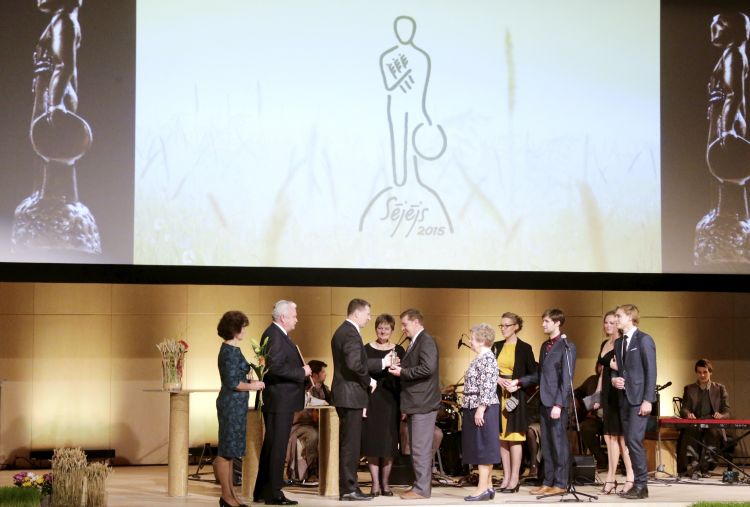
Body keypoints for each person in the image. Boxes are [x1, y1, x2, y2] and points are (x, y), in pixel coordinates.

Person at [331, 299, 395, 501]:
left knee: (350, 445)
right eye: (367, 314)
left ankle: (350, 487)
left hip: (347, 395)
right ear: (357, 313)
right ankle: (349, 489)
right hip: (350, 396)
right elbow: (354, 363)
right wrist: (369, 380)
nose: (369, 318)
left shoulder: (344, 330)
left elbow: (356, 362)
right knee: (351, 446)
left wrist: (381, 362)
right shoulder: (350, 333)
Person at [508, 308, 576, 496]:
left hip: (556, 404)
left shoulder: (567, 346)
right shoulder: (545, 346)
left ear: (557, 323)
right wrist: (519, 382)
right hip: (544, 401)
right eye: (543, 321)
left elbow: (566, 379)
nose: (543, 324)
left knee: (558, 444)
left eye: (546, 321)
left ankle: (561, 483)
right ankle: (548, 481)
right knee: (547, 444)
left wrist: (559, 404)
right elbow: (540, 375)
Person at [253, 301, 311, 506]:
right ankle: (274, 493)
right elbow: (275, 368)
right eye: (294, 316)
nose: (297, 319)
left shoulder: (277, 335)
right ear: (283, 317)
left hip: (280, 400)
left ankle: (262, 490)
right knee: (277, 447)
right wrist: (301, 372)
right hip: (279, 400)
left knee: (272, 446)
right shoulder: (275, 336)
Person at [388, 308, 441, 499]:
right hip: (416, 403)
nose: (402, 328)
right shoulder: (416, 341)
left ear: (416, 322)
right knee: (417, 447)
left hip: (423, 403)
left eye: (405, 324)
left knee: (420, 448)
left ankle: (421, 489)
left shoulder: (426, 340)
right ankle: (419, 485)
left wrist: (402, 372)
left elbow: (428, 368)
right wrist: (401, 367)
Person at [215, 311, 265, 507]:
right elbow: (233, 383)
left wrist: (252, 381)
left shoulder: (233, 350)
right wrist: (254, 386)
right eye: (242, 327)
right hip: (230, 405)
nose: (244, 330)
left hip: (237, 405)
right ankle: (226, 496)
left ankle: (230, 496)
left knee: (230, 452)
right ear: (234, 329)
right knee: (225, 451)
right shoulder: (228, 351)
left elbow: (239, 378)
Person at [611, 304, 656, 500]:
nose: (616, 319)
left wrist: (648, 400)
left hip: (639, 399)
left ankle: (641, 485)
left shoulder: (644, 339)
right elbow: (618, 370)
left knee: (634, 440)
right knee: (629, 441)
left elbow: (651, 371)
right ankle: (638, 484)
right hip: (624, 399)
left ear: (630, 317)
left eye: (618, 316)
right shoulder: (619, 342)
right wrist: (614, 380)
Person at [491, 312, 536, 494]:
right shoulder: (496, 346)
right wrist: (496, 378)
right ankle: (506, 477)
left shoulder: (524, 348)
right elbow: (489, 369)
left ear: (516, 326)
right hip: (498, 395)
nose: (503, 329)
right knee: (502, 438)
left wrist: (518, 382)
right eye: (501, 325)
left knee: (515, 437)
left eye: (507, 325)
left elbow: (535, 375)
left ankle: (515, 478)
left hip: (516, 396)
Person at [362, 314, 406, 496]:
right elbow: (361, 372)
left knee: (389, 443)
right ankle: (374, 484)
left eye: (387, 328)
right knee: (372, 443)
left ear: (392, 330)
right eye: (380, 327)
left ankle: (386, 484)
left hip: (392, 401)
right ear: (375, 329)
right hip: (372, 399)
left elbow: (404, 379)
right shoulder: (366, 349)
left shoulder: (399, 350)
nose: (383, 331)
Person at [592, 311, 634, 494]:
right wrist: (597, 393)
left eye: (612, 322)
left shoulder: (622, 342)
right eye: (606, 322)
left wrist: (616, 367)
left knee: (622, 438)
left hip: (619, 392)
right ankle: (611, 478)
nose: (608, 325)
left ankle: (631, 477)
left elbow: (625, 368)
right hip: (608, 391)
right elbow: (603, 371)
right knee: (609, 437)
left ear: (618, 324)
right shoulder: (605, 343)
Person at [461, 323, 501, 501]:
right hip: (474, 405)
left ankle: (482, 488)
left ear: (482, 340)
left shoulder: (487, 358)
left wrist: (481, 409)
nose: (470, 341)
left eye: (472, 338)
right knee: (481, 446)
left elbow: (488, 385)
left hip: (482, 407)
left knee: (483, 447)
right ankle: (489, 486)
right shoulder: (481, 357)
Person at [677, 358, 731, 476]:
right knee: (690, 432)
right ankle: (693, 467)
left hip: (712, 422)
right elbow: (684, 408)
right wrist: (688, 414)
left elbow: (727, 411)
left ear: (710, 372)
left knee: (712, 433)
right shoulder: (689, 388)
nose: (702, 375)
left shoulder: (720, 388)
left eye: (705, 372)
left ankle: (706, 468)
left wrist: (721, 416)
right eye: (699, 372)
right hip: (695, 421)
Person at [285, 360, 331, 484]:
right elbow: (307, 400)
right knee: (313, 435)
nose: (325, 374)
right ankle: (312, 470)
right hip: (298, 425)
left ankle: (329, 471)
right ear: (314, 375)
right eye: (322, 371)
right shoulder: (303, 388)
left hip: (314, 424)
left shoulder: (324, 389)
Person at [574, 363, 606, 470]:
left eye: (604, 366)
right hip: (596, 419)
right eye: (600, 365)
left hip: (611, 420)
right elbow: (578, 391)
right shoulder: (592, 380)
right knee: (585, 428)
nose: (602, 368)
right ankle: (601, 458)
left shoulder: (615, 380)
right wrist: (576, 400)